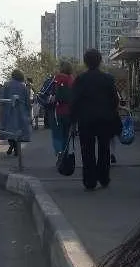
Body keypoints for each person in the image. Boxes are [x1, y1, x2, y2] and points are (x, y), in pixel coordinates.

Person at [70, 49, 121, 190]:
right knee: (104, 149)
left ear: (86, 62)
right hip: (105, 120)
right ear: (100, 61)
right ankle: (104, 178)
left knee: (87, 150)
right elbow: (114, 100)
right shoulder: (108, 78)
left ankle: (90, 180)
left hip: (86, 121)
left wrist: (73, 120)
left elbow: (75, 101)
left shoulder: (80, 79)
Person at [0, 70, 33, 157]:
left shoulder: (6, 85)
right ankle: (16, 148)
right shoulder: (23, 86)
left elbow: (1, 99)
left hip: (8, 111)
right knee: (18, 130)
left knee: (9, 130)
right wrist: (29, 112)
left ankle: (12, 146)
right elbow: (27, 101)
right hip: (21, 112)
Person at [48, 61, 75, 155]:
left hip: (58, 111)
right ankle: (65, 154)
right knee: (66, 134)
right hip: (69, 111)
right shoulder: (72, 79)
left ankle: (59, 153)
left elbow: (53, 95)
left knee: (57, 134)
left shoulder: (58, 77)